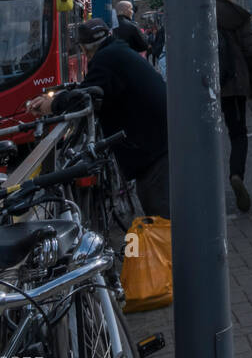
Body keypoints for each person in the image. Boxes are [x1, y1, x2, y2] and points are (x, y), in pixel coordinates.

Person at [27, 17, 170, 218]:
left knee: (161, 217)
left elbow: (86, 95)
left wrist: (51, 104)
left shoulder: (106, 59)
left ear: (85, 50)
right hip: (161, 142)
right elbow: (91, 86)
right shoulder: (116, 52)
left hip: (154, 152)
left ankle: (174, 249)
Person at [216, 0, 252, 213]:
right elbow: (251, 50)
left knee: (205, 137)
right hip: (234, 85)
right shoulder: (241, 16)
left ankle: (206, 190)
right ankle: (236, 175)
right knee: (238, 134)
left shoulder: (202, 13)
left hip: (210, 86)